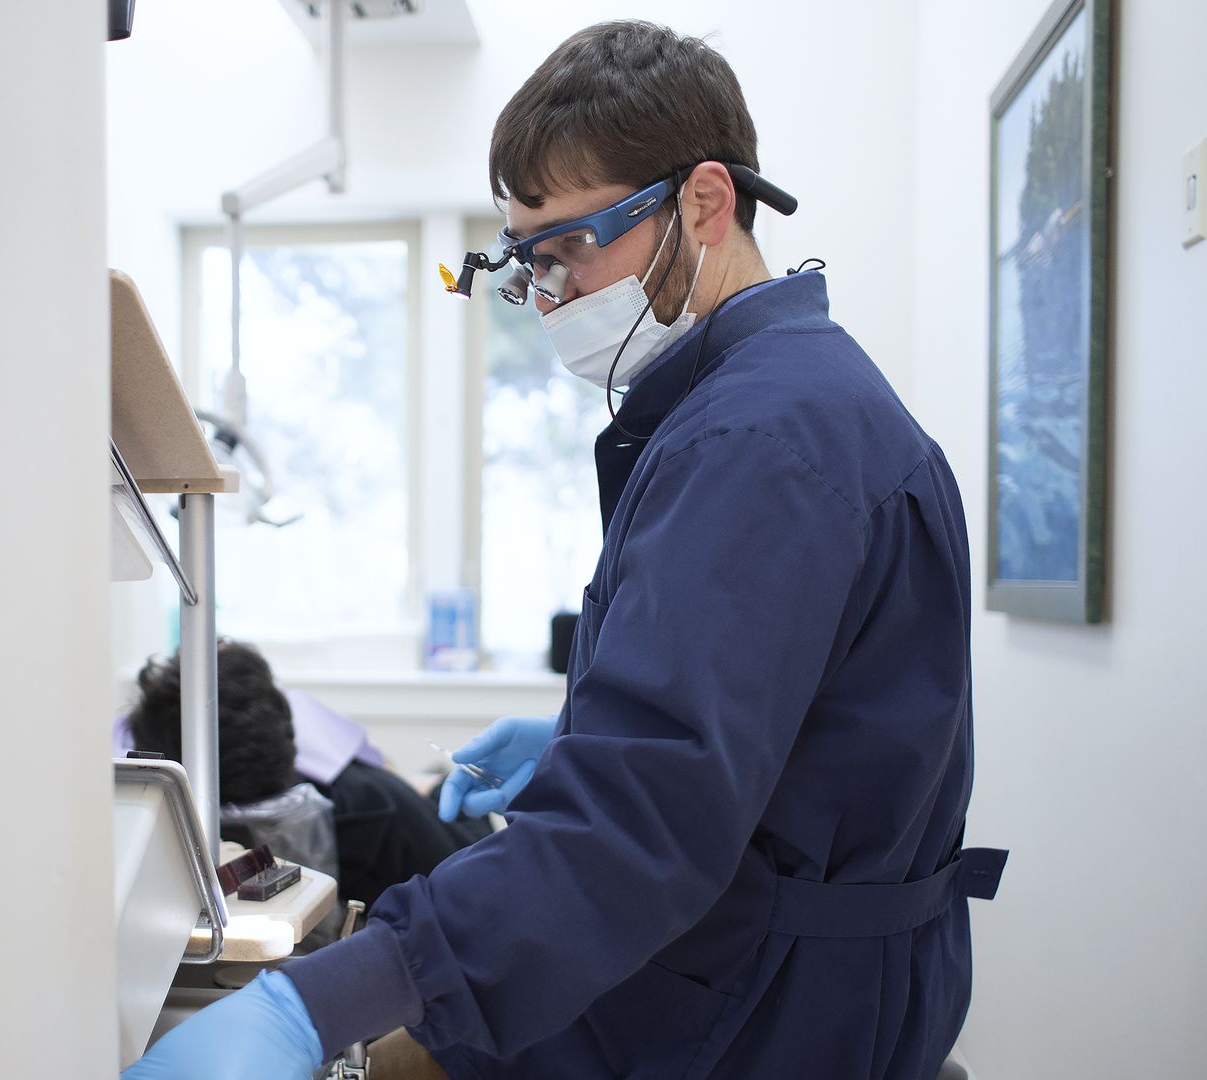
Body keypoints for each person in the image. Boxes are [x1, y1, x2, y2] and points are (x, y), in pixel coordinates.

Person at [125, 20, 1004, 1080]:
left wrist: (312, 1008)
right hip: (793, 968)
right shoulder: (792, 398)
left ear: (706, 202)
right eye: (527, 263)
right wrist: (587, 734)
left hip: (759, 1005)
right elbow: (784, 722)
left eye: (570, 250)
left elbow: (637, 827)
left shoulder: (759, 441)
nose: (550, 297)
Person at [126, 641, 487, 910]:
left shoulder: (232, 832)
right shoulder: (362, 800)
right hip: (447, 849)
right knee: (435, 786)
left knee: (434, 786)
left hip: (449, 866)